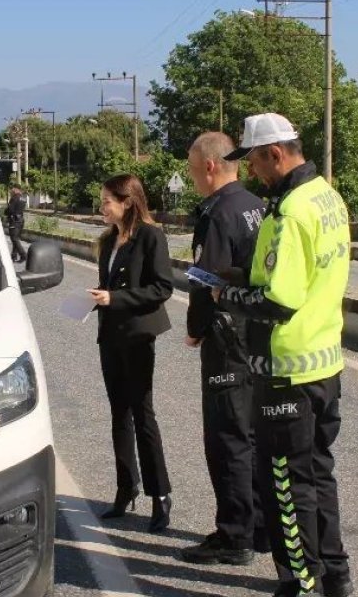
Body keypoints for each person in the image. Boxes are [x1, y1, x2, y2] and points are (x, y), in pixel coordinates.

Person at [215, 114, 354, 597]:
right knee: (317, 473)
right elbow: (297, 280)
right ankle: (334, 576)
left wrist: (222, 297)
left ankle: (302, 583)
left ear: (275, 153)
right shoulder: (327, 196)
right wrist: (236, 277)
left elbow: (278, 300)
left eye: (253, 161)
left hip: (285, 370)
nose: (252, 172)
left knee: (285, 486)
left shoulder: (291, 211)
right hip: (324, 363)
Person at [180, 132, 268, 566]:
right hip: (258, 335)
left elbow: (205, 279)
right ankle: (259, 527)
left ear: (210, 166)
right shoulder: (256, 205)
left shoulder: (217, 215)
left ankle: (235, 537)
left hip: (226, 336)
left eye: (193, 168)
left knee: (227, 439)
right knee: (252, 436)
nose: (192, 177)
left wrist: (195, 328)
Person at [87, 174, 175, 533]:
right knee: (118, 414)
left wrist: (116, 298)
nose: (102, 206)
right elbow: (108, 286)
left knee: (142, 413)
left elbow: (162, 287)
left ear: (127, 201)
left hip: (138, 336)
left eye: (108, 200)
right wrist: (94, 298)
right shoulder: (108, 241)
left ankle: (160, 495)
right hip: (110, 335)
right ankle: (126, 488)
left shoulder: (151, 237)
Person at [5, 187, 28, 263]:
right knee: (16, 239)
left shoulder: (14, 198)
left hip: (14, 220)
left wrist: (6, 211)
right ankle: (14, 256)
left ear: (14, 192)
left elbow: (10, 210)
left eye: (11, 192)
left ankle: (23, 255)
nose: (10, 194)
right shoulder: (23, 198)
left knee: (14, 239)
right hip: (21, 220)